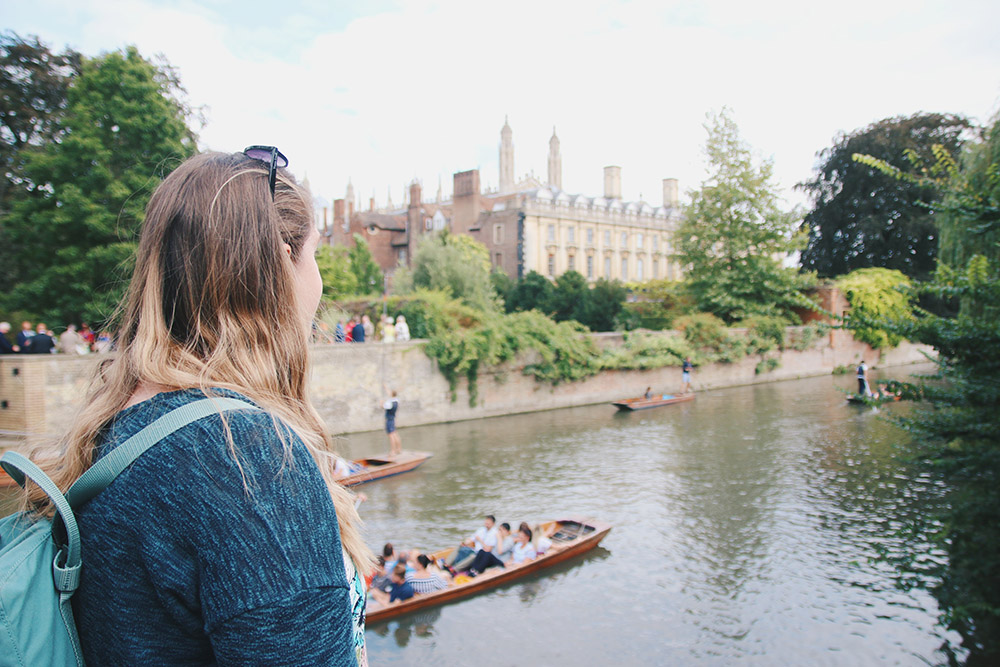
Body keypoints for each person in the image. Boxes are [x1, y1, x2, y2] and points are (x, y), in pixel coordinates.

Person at [13, 147, 373, 665]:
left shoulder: (115, 424)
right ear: (278, 265)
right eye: (314, 255)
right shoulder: (248, 459)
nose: (318, 283)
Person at [384, 388, 402, 456]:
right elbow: (389, 393)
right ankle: (399, 449)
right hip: (393, 419)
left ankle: (393, 451)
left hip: (389, 420)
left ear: (391, 394)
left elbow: (384, 406)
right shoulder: (397, 401)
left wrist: (381, 403)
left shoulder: (389, 403)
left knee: (391, 436)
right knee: (395, 434)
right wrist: (385, 386)